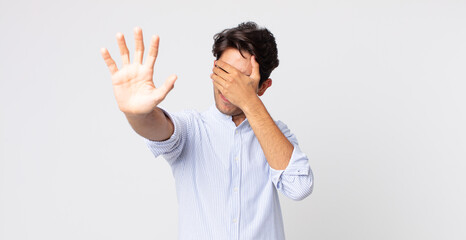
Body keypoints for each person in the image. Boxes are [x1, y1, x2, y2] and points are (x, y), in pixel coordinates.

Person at [101, 22, 314, 240]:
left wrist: (250, 102)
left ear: (263, 86)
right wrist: (136, 114)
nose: (228, 86)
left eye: (241, 80)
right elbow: (156, 127)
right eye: (223, 72)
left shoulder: (277, 133)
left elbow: (298, 187)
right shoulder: (192, 128)